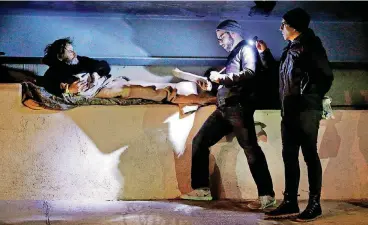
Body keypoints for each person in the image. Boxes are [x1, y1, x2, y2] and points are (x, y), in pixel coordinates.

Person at [180, 20, 276, 210]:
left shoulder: (246, 49)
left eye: (221, 37)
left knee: (251, 149)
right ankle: (201, 188)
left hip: (238, 108)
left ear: (232, 33)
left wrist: (221, 78)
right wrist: (213, 86)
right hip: (224, 108)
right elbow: (232, 80)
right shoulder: (235, 54)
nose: (219, 42)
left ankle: (267, 195)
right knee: (199, 141)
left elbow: (249, 72)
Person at [256, 8, 334, 221]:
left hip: (306, 110)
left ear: (294, 26)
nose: (280, 27)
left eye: (283, 24)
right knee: (289, 156)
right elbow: (278, 74)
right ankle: (290, 201)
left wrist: (308, 96)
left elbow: (326, 76)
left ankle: (314, 205)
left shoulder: (310, 46)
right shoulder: (291, 48)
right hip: (289, 111)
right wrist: (264, 54)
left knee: (309, 155)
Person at [40, 37, 216, 105]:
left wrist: (95, 73)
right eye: (70, 51)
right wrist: (69, 89)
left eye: (73, 49)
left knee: (145, 84)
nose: (74, 53)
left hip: (105, 81)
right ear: (60, 56)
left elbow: (103, 65)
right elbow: (48, 84)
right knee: (132, 90)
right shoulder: (54, 72)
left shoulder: (81, 60)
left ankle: (182, 93)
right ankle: (191, 98)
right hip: (96, 91)